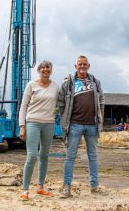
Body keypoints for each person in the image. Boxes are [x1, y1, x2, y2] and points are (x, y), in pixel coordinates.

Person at [58, 55, 105, 198]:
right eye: (80, 64)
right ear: (75, 66)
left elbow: (101, 100)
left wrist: (100, 119)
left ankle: (94, 186)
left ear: (88, 66)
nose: (82, 66)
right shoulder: (68, 83)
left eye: (85, 64)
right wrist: (65, 119)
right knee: (70, 156)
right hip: (74, 125)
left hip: (92, 125)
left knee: (93, 156)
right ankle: (67, 187)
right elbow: (61, 102)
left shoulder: (95, 82)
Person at [18, 60, 59, 201]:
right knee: (32, 156)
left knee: (45, 156)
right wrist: (22, 126)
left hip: (49, 123)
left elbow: (62, 99)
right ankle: (25, 189)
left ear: (51, 70)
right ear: (39, 70)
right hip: (32, 122)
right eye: (42, 67)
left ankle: (40, 187)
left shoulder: (55, 86)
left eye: (48, 67)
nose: (45, 69)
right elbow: (23, 106)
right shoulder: (31, 85)